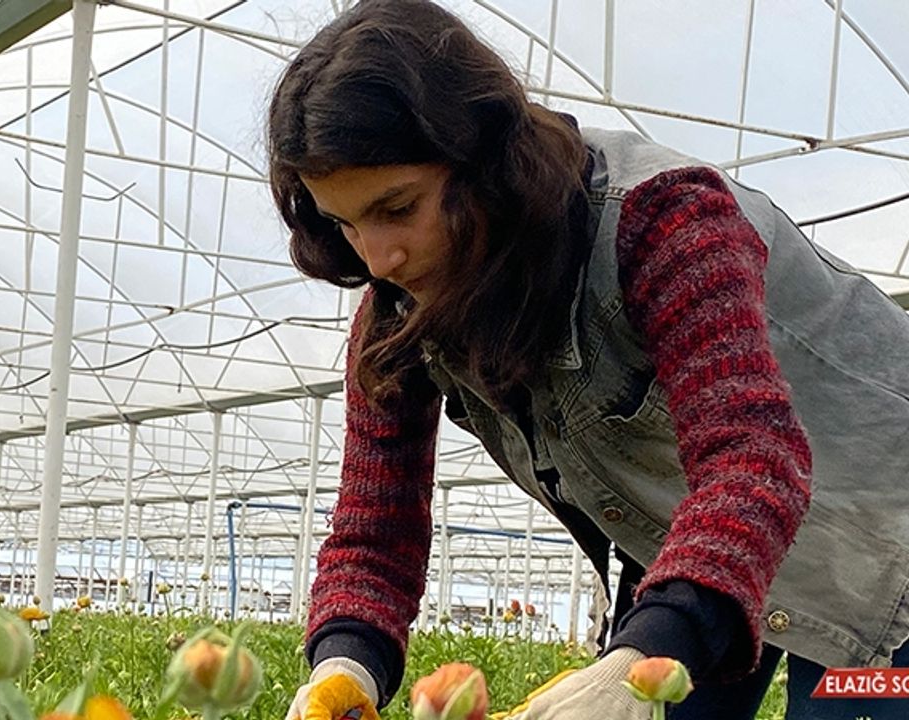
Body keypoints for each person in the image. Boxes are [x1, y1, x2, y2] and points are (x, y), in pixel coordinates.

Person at [269, 2, 909, 719]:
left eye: (398, 207)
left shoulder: (664, 222)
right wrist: (345, 664)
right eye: (343, 221)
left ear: (485, 160)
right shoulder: (400, 313)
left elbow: (750, 457)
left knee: (853, 707)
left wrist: (642, 661)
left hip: (882, 542)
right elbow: (373, 530)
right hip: (701, 550)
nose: (377, 257)